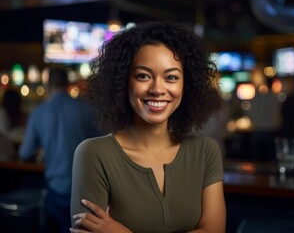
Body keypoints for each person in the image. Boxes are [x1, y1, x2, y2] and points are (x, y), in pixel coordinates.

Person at [70, 22, 226, 233]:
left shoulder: (205, 151)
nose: (157, 89)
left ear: (185, 85)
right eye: (143, 76)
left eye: (171, 77)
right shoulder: (94, 154)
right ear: (123, 82)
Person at [19, 67, 101, 233]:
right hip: (84, 189)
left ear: (48, 84)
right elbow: (104, 143)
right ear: (67, 83)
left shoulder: (38, 112)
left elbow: (25, 153)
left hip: (54, 189)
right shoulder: (86, 109)